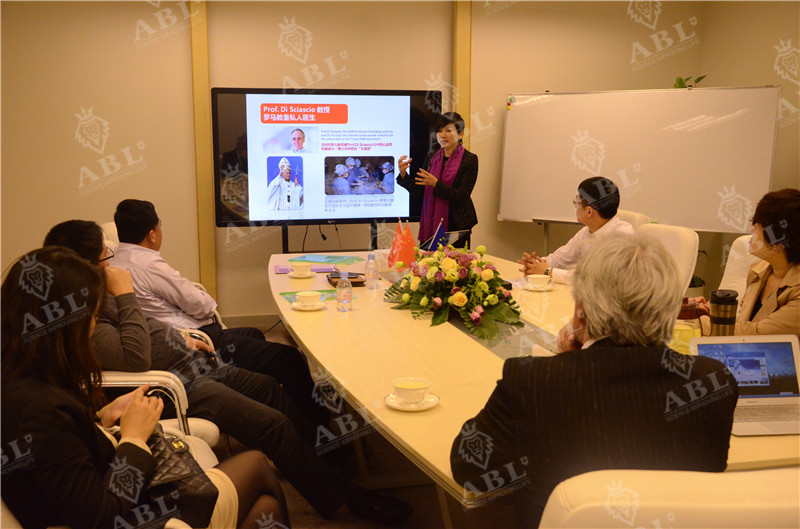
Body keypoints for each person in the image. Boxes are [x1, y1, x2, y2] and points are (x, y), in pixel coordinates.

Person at [41, 220, 411, 525]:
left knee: (270, 387)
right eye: (107, 255)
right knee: (272, 424)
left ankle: (326, 461)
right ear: (88, 265)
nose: (114, 260)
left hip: (191, 364)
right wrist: (125, 293)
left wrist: (181, 335)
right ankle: (347, 499)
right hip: (170, 387)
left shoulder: (100, 295)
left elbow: (149, 329)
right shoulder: (87, 311)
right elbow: (135, 358)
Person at [451, 234, 738, 527]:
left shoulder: (533, 382)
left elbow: (469, 470)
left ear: (581, 309)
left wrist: (565, 364)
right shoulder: (714, 380)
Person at [1, 247, 289, 529]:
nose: (92, 328)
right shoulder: (43, 411)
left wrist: (103, 416)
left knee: (265, 509)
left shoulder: (19, 379)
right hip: (130, 515)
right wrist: (134, 440)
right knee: (256, 465)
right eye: (90, 316)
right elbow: (99, 518)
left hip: (119, 502)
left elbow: (67, 456)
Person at [692, 188, 800, 337]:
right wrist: (714, 314)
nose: (751, 231)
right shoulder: (760, 271)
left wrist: (696, 323)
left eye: (756, 226)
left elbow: (757, 333)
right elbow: (746, 323)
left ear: (778, 242)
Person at [517, 176, 634, 284]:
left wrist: (547, 271)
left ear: (589, 211)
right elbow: (560, 258)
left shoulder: (622, 235)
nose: (576, 207)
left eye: (577, 203)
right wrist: (536, 265)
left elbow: (593, 278)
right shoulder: (586, 232)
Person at [397, 112, 478, 246]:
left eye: (448, 130)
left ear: (461, 134)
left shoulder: (469, 159)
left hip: (457, 225)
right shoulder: (431, 158)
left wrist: (436, 184)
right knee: (429, 265)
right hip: (431, 223)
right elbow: (419, 190)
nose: (443, 135)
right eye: (439, 131)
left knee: (454, 265)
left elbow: (461, 197)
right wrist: (404, 175)